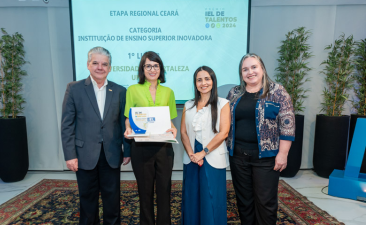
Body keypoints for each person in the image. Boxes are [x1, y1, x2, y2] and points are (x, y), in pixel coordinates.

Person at [61, 46, 131, 225]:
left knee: (112, 201)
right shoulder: (74, 89)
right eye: (95, 63)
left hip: (112, 154)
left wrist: (127, 150)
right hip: (84, 155)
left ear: (110, 67)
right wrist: (70, 155)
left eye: (104, 64)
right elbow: (67, 125)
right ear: (88, 64)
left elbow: (124, 123)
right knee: (87, 200)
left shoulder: (120, 91)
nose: (100, 67)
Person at [226, 53, 295, 225]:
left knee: (265, 202)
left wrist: (283, 153)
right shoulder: (234, 93)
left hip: (266, 158)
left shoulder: (277, 91)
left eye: (254, 67)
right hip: (238, 157)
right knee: (244, 201)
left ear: (262, 68)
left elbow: (287, 124)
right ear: (241, 73)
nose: (250, 72)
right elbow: (224, 121)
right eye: (245, 69)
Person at [124, 51, 177, 225]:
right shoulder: (132, 90)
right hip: (141, 148)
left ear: (160, 69)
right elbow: (128, 118)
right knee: (144, 193)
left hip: (164, 148)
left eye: (155, 66)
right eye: (148, 66)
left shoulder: (169, 91)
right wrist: (127, 130)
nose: (152, 69)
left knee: (164, 191)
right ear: (143, 69)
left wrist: (173, 129)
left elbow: (170, 120)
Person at [180, 66, 231, 225]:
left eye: (207, 79)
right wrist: (191, 154)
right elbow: (183, 133)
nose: (203, 83)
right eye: (199, 80)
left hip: (212, 157)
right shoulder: (188, 105)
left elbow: (223, 133)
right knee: (192, 198)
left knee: (212, 199)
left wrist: (203, 152)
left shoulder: (223, 104)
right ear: (195, 83)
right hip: (191, 158)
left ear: (213, 81)